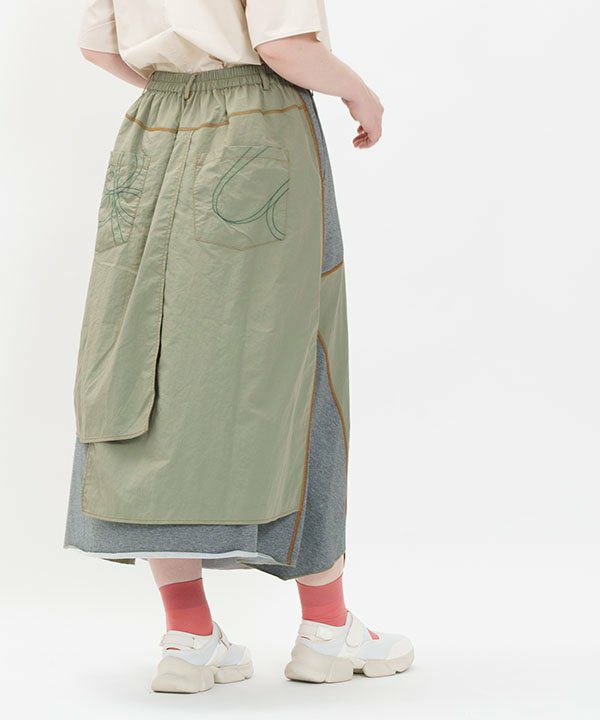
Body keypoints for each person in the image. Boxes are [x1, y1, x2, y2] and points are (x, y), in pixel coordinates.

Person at [65, 0, 413, 692]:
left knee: (143, 360)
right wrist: (359, 92)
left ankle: (189, 637)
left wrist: (183, 90)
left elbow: (98, 47)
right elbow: (284, 47)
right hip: (258, 127)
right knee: (292, 363)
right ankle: (325, 629)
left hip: (155, 125)